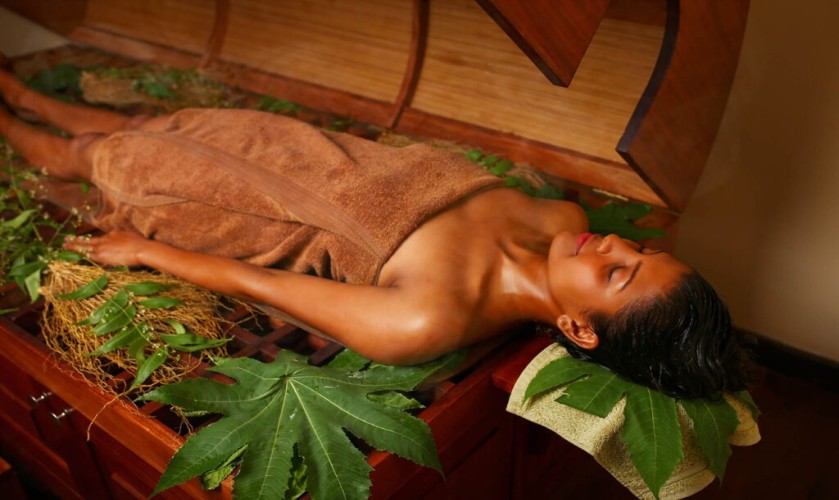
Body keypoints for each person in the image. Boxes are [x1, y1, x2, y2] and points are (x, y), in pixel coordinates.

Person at [0, 65, 751, 400]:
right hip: (291, 144)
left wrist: (145, 250)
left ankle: (8, 118)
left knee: (94, 157)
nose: (615, 247)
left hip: (229, 203)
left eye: (617, 274)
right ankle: (25, 92)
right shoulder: (560, 219)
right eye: (639, 249)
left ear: (579, 329)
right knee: (153, 123)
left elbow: (262, 282)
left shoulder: (426, 317)